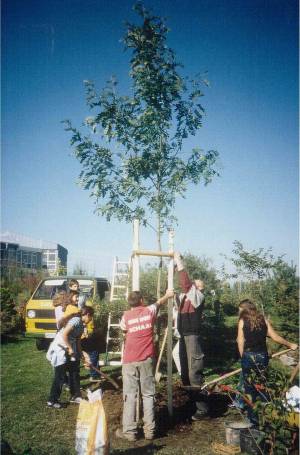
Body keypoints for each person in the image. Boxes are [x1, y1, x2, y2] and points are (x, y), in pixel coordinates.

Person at [115, 289, 174, 442]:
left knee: (130, 395)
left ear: (130, 302)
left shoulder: (125, 316)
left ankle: (129, 432)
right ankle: (150, 431)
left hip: (129, 360)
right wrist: (168, 295)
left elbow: (123, 330)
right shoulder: (149, 311)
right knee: (148, 395)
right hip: (147, 359)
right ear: (141, 300)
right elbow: (159, 302)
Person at [237, 299, 298, 424]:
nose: (239, 312)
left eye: (240, 309)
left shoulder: (242, 321)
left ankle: (253, 420)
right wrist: (290, 344)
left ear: (245, 309)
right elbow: (275, 337)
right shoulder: (263, 320)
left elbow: (240, 340)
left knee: (249, 388)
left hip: (248, 356)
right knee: (261, 385)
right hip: (262, 356)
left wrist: (243, 356)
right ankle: (267, 414)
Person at [173, 252, 209, 420]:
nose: (196, 284)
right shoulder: (184, 297)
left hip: (192, 337)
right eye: (196, 283)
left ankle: (202, 409)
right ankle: (190, 404)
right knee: (185, 374)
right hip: (183, 336)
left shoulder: (198, 297)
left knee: (195, 373)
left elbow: (186, 283)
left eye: (198, 284)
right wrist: (172, 267)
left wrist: (179, 262)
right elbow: (179, 287)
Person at [46, 306, 94, 408]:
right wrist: (70, 349)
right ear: (88, 315)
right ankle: (52, 400)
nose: (91, 320)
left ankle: (75, 395)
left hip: (68, 348)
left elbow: (78, 341)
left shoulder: (82, 325)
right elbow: (64, 334)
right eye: (91, 317)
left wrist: (81, 355)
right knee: (60, 375)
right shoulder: (76, 320)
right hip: (60, 348)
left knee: (74, 371)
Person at [69, 279, 100, 382]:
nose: (77, 299)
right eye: (74, 286)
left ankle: (72, 382)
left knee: (75, 361)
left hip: (76, 339)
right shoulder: (74, 312)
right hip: (70, 341)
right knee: (92, 352)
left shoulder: (77, 304)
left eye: (77, 286)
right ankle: (93, 375)